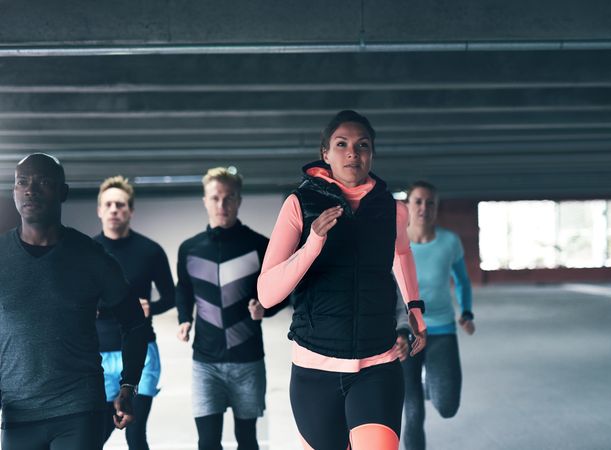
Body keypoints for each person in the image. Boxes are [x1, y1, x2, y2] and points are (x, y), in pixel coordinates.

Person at [257, 110, 427, 450]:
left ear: (372, 154)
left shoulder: (392, 209)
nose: (353, 152)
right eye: (342, 144)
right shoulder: (298, 204)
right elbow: (267, 293)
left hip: (377, 362)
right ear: (325, 154)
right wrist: (313, 242)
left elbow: (402, 254)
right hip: (314, 366)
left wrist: (415, 312)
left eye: (363, 145)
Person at [0, 153, 148, 450]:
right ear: (14, 191)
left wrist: (128, 386)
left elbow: (135, 324)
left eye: (43, 182)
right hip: (18, 413)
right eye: (22, 182)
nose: (31, 189)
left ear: (63, 192)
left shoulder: (91, 256)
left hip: (78, 410)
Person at [175, 167, 286, 450]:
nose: (221, 205)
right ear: (205, 200)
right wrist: (184, 318)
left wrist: (266, 308)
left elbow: (284, 292)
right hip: (205, 363)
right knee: (208, 442)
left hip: (247, 361)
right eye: (215, 198)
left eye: (228, 198)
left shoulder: (260, 246)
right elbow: (184, 289)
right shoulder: (189, 249)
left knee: (247, 441)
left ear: (238, 200)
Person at [94, 175, 176, 449]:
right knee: (98, 434)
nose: (114, 209)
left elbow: (172, 296)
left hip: (142, 351)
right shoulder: (87, 253)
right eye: (108, 204)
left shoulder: (150, 251)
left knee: (136, 434)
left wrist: (151, 307)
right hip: (99, 354)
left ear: (130, 210)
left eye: (120, 204)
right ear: (99, 210)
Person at [400, 180, 476, 450]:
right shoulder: (394, 242)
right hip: (404, 333)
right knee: (412, 413)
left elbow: (463, 281)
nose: (424, 207)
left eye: (430, 202)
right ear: (407, 206)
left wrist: (466, 313)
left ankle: (428, 383)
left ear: (436, 207)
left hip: (441, 330)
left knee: (447, 406)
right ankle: (417, 386)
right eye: (418, 201)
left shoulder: (449, 241)